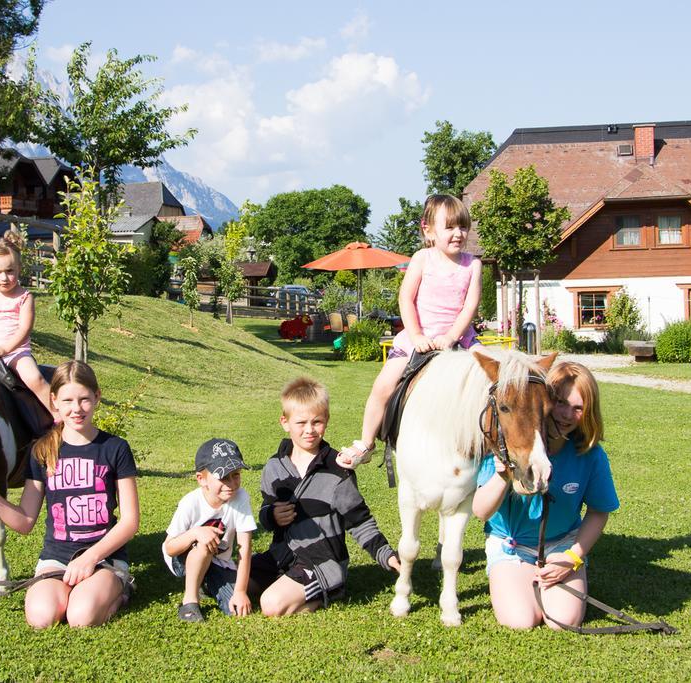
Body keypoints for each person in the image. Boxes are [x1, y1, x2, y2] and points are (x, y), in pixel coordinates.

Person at [0, 361, 140, 628]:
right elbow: (25, 520)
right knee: (41, 617)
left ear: (97, 397)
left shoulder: (115, 448)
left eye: (84, 399)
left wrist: (90, 558)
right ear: (54, 401)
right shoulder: (42, 452)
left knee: (81, 617)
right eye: (67, 400)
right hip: (56, 558)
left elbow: (130, 522)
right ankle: (74, 592)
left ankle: (121, 590)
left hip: (103, 558)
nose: (76, 409)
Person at [338, 194, 482, 468]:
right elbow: (406, 299)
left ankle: (501, 444)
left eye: (463, 227)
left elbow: (469, 307)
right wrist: (417, 336)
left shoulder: (473, 264)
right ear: (428, 230)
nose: (458, 234)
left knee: (498, 376)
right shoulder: (422, 259)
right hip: (419, 336)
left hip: (460, 337)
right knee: (383, 385)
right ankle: (366, 442)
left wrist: (452, 337)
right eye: (449, 227)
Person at [472, 361, 618, 630]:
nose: (566, 415)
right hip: (512, 546)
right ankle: (517, 575)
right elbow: (481, 511)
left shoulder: (590, 455)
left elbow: (599, 512)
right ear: (544, 401)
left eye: (578, 408)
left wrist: (572, 557)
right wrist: (503, 475)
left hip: (562, 545)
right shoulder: (509, 441)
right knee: (521, 620)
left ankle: (551, 577)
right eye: (561, 403)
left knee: (563, 621)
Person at [249, 377, 400, 616]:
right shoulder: (274, 466)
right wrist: (272, 515)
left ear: (326, 421)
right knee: (235, 580)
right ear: (285, 422)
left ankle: (330, 589)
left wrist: (387, 556)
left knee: (271, 604)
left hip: (321, 561)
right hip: (282, 556)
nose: (309, 430)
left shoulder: (337, 469)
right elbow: (265, 512)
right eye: (301, 422)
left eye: (317, 422)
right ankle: (288, 585)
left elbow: (359, 521)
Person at [162, 438, 256, 622]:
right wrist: (195, 533)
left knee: (235, 608)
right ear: (201, 479)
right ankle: (190, 601)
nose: (231, 484)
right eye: (222, 477)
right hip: (181, 557)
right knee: (203, 545)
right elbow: (169, 548)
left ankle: (205, 582)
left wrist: (240, 591)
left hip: (218, 560)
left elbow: (245, 547)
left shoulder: (241, 497)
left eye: (235, 475)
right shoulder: (190, 503)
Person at [0, 233, 54, 416]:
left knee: (34, 378)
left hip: (15, 352)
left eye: (9, 271)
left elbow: (24, 329)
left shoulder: (24, 297)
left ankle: (57, 415)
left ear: (19, 269)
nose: (4, 278)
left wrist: (5, 349)